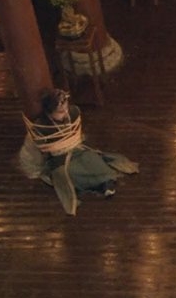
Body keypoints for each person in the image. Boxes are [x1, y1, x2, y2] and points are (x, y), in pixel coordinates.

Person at [17, 88, 139, 216]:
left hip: (76, 150)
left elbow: (77, 135)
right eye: (60, 112)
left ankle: (106, 181)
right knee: (71, 172)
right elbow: (34, 151)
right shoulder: (41, 126)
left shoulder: (73, 113)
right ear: (50, 112)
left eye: (66, 108)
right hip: (59, 158)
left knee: (93, 159)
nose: (65, 113)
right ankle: (98, 185)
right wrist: (36, 169)